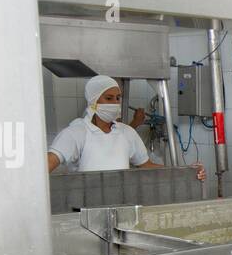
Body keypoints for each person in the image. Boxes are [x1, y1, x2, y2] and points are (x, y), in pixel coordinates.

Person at [47, 75, 205, 180]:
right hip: (85, 208)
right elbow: (47, 165)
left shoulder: (126, 132)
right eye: (108, 98)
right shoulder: (76, 133)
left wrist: (186, 172)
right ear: (93, 101)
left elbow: (146, 165)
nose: (115, 103)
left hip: (121, 206)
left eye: (118, 98)